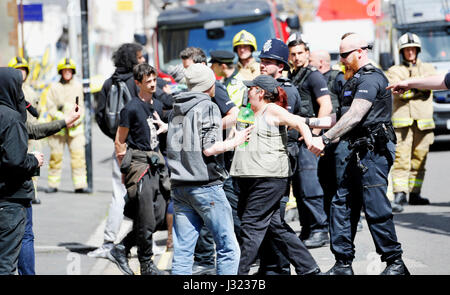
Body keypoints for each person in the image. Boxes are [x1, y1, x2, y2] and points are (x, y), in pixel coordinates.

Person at [307, 33, 410, 275]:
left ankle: (396, 263)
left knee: (375, 208)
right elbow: (341, 117)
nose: (341, 59)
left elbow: (355, 116)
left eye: (344, 54)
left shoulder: (371, 79)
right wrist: (307, 121)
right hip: (356, 152)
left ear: (360, 52)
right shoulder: (352, 80)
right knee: (341, 204)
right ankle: (343, 264)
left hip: (374, 152)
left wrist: (325, 138)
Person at [230, 74, 321, 275]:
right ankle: (309, 269)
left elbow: (299, 123)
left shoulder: (272, 110)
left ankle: (240, 274)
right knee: (275, 226)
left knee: (251, 226)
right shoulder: (247, 112)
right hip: (248, 178)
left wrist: (310, 140)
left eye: (250, 88)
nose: (247, 91)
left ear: (260, 92)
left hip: (269, 179)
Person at [167, 63, 251, 275]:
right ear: (209, 84)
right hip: (206, 186)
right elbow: (210, 148)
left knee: (183, 252)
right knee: (228, 248)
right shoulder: (208, 106)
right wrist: (237, 140)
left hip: (179, 187)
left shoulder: (176, 106)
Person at [179, 47, 241, 275]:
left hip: (212, 168)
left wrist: (211, 126)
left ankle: (210, 260)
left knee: (224, 233)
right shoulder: (186, 98)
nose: (187, 74)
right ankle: (205, 259)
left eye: (189, 68)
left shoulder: (215, 91)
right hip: (196, 172)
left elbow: (233, 114)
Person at [108, 63, 169, 275]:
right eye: (148, 81)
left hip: (157, 165)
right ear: (137, 83)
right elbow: (119, 141)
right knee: (146, 218)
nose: (153, 84)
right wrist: (125, 172)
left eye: (154, 80)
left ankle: (122, 247)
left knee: (160, 215)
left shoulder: (158, 105)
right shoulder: (131, 108)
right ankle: (146, 264)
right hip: (140, 165)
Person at [88, 43, 146, 259]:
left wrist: (116, 138)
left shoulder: (109, 82)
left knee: (118, 193)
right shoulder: (138, 81)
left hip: (119, 145)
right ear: (133, 60)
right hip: (139, 145)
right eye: (140, 57)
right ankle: (143, 242)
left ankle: (108, 242)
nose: (142, 60)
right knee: (144, 194)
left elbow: (101, 117)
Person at [255, 38, 302, 275]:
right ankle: (269, 266)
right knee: (261, 220)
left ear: (281, 66)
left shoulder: (287, 92)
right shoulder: (256, 89)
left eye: (269, 62)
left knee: (276, 219)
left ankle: (281, 269)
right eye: (261, 61)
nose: (262, 65)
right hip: (256, 163)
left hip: (278, 162)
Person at [287, 38, 333, 248]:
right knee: (298, 188)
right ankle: (307, 229)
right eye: (293, 54)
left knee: (309, 186)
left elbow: (326, 106)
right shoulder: (292, 76)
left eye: (300, 53)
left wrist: (313, 134)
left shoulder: (314, 76)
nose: (296, 57)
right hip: (295, 140)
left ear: (307, 53)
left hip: (308, 141)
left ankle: (319, 230)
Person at [0, 67, 44, 275]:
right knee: (6, 264)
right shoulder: (11, 119)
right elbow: (15, 161)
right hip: (11, 199)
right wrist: (34, 160)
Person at [386, 33, 437, 207]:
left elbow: (430, 87)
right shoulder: (394, 71)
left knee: (419, 159)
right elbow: (400, 93)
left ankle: (415, 193)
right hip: (403, 124)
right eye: (406, 50)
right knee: (401, 158)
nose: (410, 52)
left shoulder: (428, 69)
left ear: (418, 50)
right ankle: (400, 194)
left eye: (413, 49)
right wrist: (419, 88)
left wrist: (410, 86)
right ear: (402, 52)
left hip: (423, 123)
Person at [45, 57, 89, 194]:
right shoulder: (54, 87)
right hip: (58, 130)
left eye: (69, 70)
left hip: (75, 130)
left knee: (78, 158)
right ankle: (53, 184)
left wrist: (74, 121)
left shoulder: (78, 86)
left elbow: (81, 107)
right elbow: (50, 107)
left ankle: (80, 185)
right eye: (65, 70)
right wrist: (63, 120)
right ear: (61, 72)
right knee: (55, 158)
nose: (67, 72)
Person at [8, 56, 43, 205]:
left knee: (35, 163)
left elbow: (38, 110)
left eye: (23, 69)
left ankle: (33, 193)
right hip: (16, 134)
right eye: (18, 70)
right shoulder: (9, 90)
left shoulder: (31, 91)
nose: (21, 73)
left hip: (31, 134)